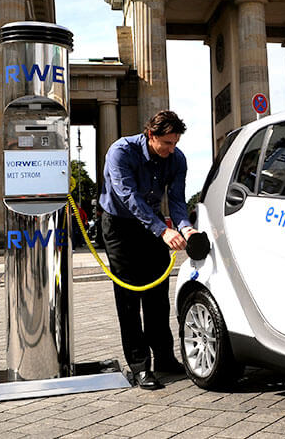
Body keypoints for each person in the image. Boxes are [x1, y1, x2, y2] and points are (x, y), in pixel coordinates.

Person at [99, 110, 197, 390]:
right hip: (119, 225)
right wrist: (163, 230)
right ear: (150, 135)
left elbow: (176, 199)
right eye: (166, 143)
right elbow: (128, 197)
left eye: (175, 143)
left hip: (153, 224)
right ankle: (140, 366)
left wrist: (185, 228)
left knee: (157, 296)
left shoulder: (177, 159)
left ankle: (165, 359)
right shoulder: (121, 152)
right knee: (129, 297)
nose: (171, 149)